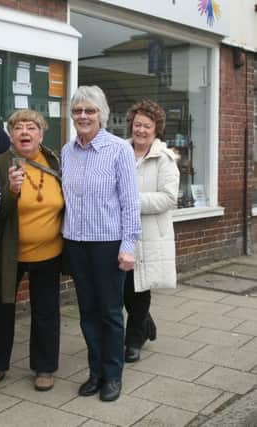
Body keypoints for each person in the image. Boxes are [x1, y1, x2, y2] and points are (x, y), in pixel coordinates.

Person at [61, 86, 141, 402]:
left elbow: (130, 202)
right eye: (78, 110)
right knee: (87, 312)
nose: (83, 116)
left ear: (102, 115)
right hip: (76, 243)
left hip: (108, 244)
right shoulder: (67, 151)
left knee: (109, 313)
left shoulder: (119, 149)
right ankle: (95, 372)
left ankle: (113, 375)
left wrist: (128, 246)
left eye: (90, 111)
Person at [0, 109, 64, 392]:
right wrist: (11, 192)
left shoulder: (54, 161)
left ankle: (45, 367)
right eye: (18, 128)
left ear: (42, 134)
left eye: (32, 127)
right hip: (8, 253)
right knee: (1, 309)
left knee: (46, 311)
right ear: (10, 134)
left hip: (49, 251)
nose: (25, 132)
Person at [123, 100, 179, 363]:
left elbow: (169, 198)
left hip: (148, 235)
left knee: (139, 289)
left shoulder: (165, 159)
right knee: (122, 290)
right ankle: (145, 324)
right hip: (120, 233)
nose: (141, 130)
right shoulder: (120, 152)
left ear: (157, 129)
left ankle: (134, 340)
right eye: (137, 125)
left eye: (147, 126)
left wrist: (131, 201)